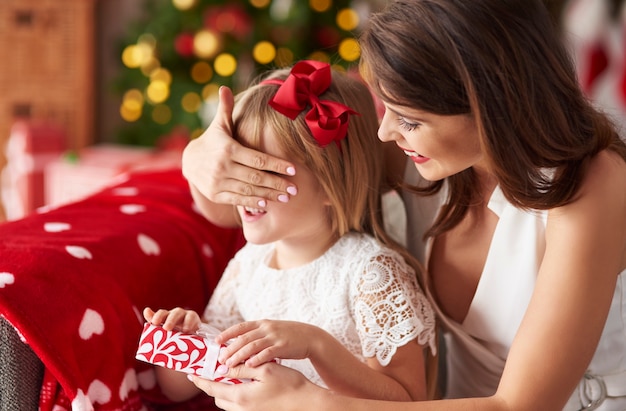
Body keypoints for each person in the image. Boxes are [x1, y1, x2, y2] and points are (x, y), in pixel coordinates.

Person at [180, 0, 626, 410]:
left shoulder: (591, 187)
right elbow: (236, 210)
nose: (385, 133)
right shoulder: (431, 155)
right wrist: (197, 160)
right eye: (387, 108)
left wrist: (311, 401)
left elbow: (518, 406)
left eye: (410, 119)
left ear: (491, 104)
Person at [143, 60, 437, 404]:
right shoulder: (248, 266)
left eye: (262, 173)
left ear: (330, 185)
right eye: (237, 170)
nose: (244, 190)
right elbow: (177, 389)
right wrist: (181, 341)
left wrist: (317, 345)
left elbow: (408, 400)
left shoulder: (372, 274)